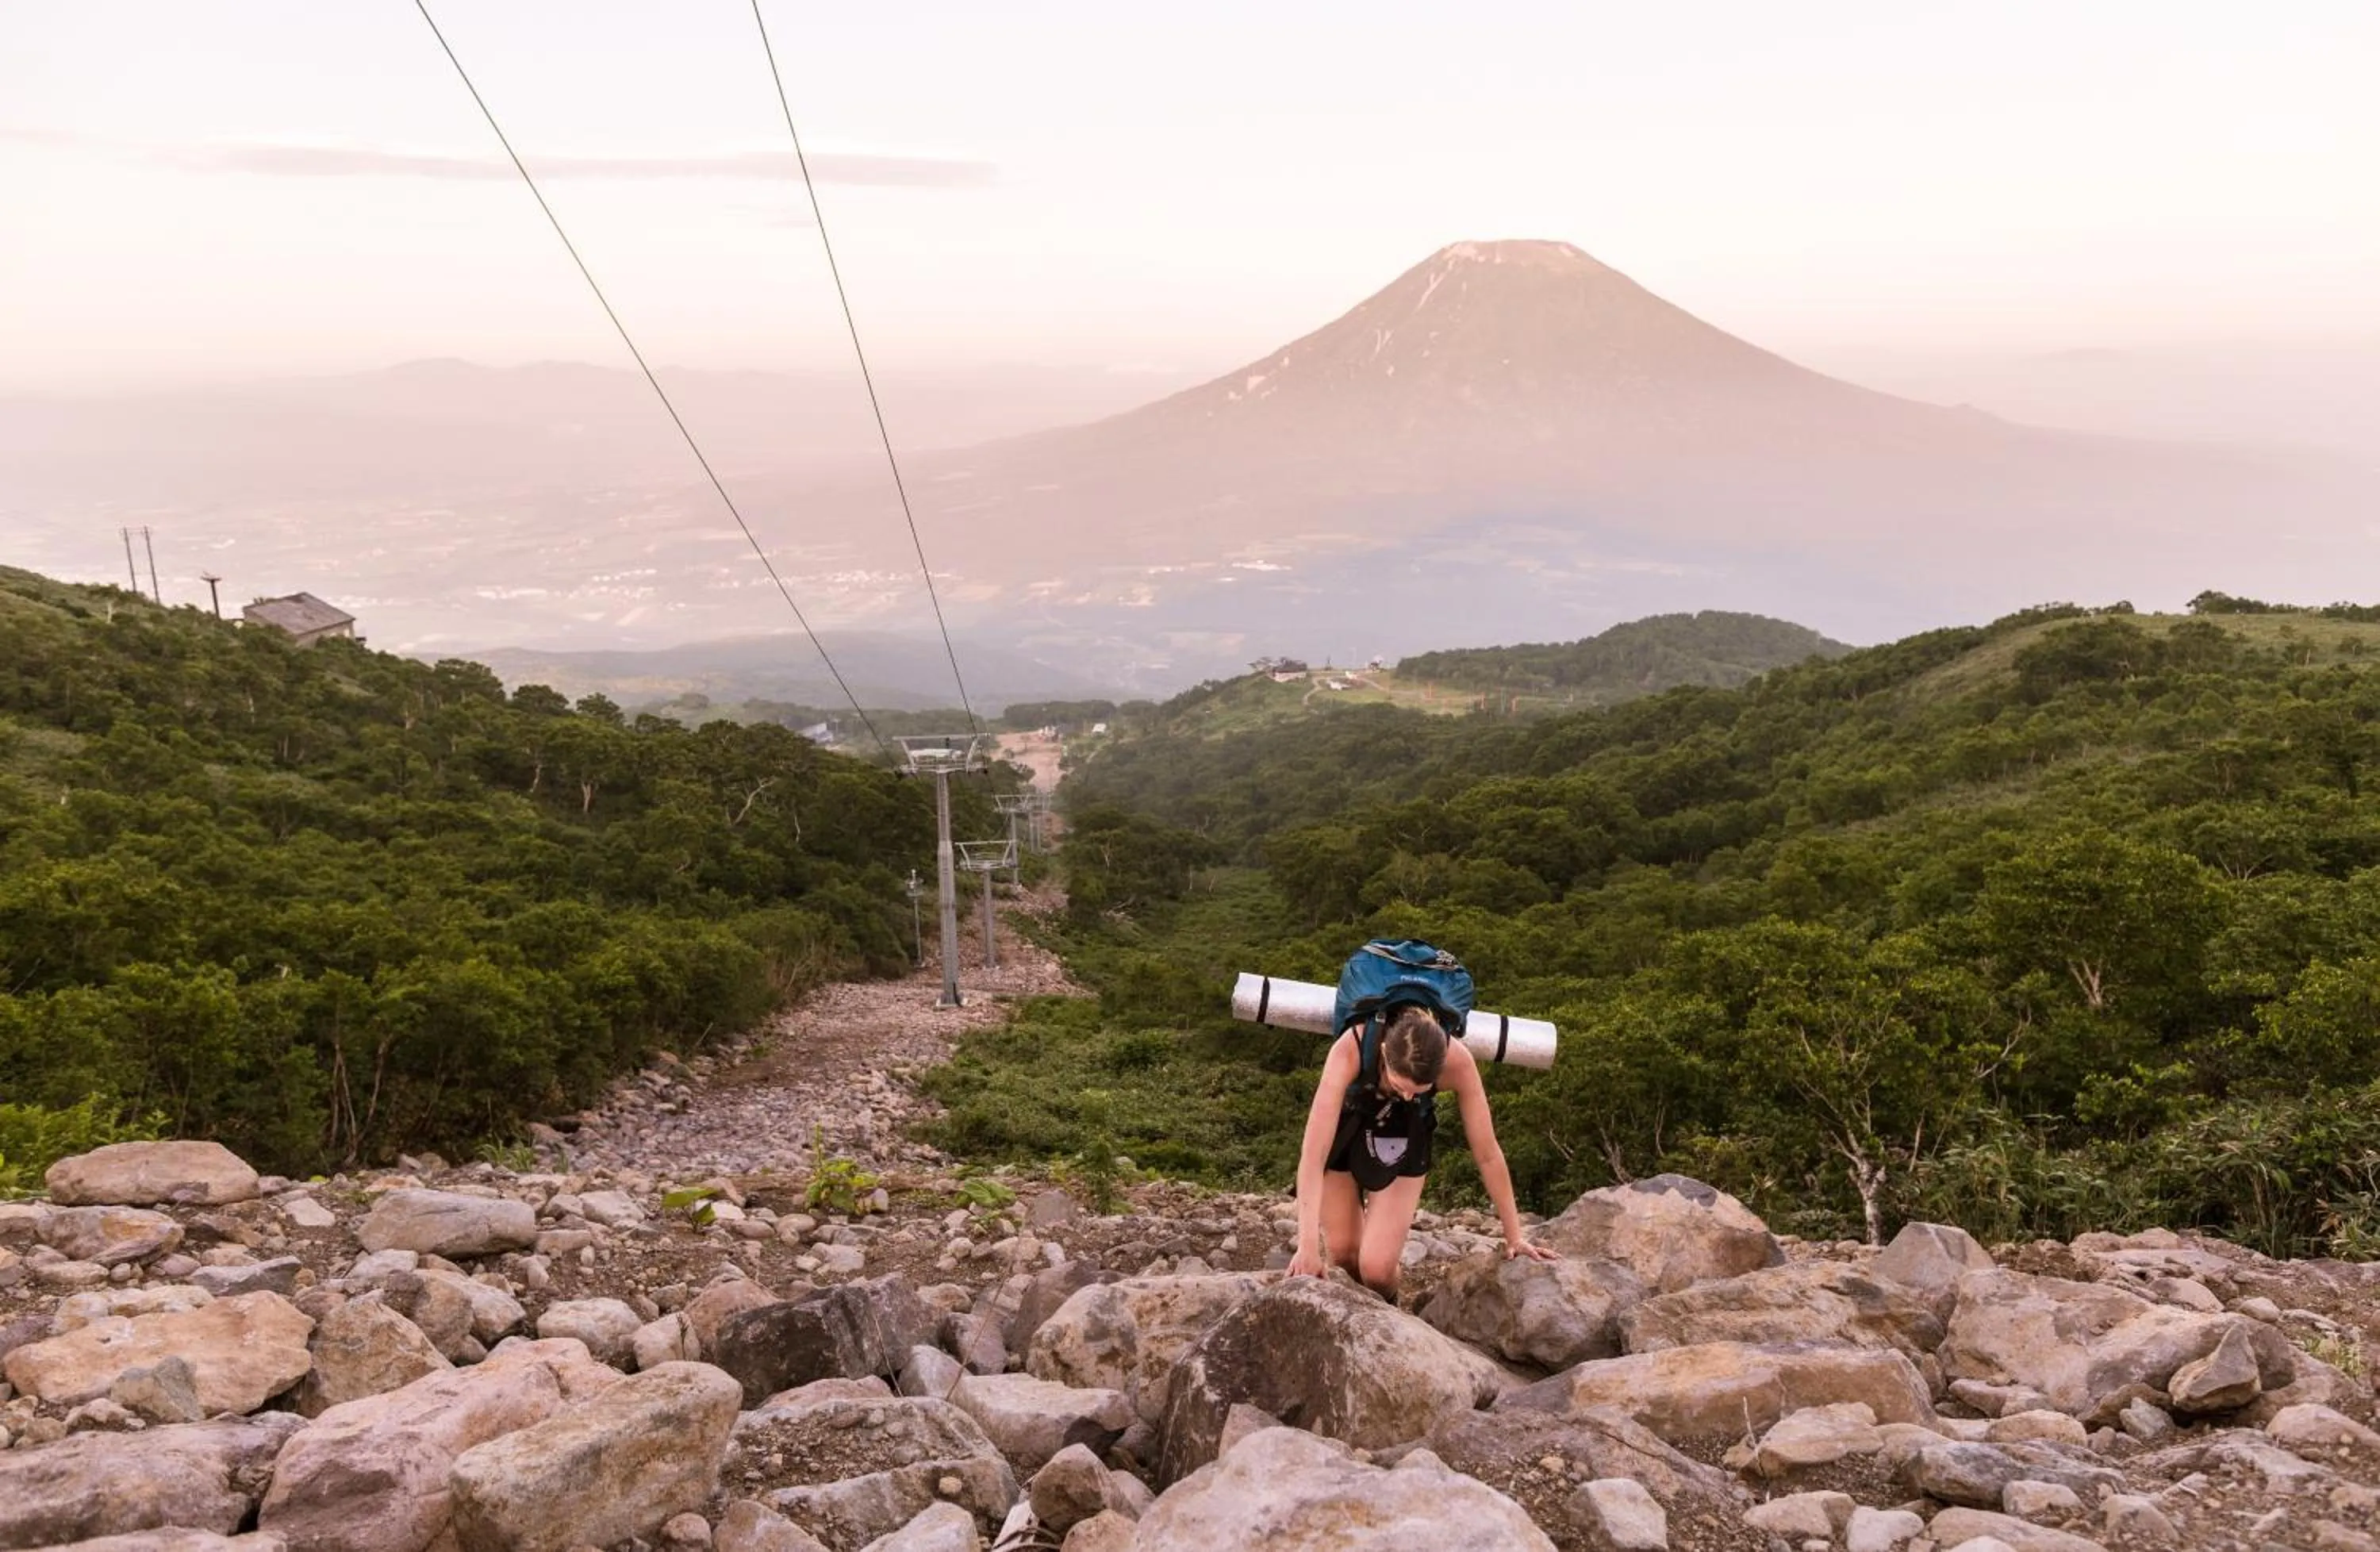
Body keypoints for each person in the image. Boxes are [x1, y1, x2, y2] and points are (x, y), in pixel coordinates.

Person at [1287, 1002, 1557, 1298]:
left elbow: (1488, 1153)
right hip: (1347, 1127)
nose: (1406, 1095)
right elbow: (1314, 1155)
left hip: (1407, 1130)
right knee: (1343, 1254)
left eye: (1418, 1091)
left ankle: (1388, 1309)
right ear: (1384, 1051)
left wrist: (1515, 1237)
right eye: (1399, 1085)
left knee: (1377, 1271)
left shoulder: (1457, 1061)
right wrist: (1307, 1247)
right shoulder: (1351, 1049)